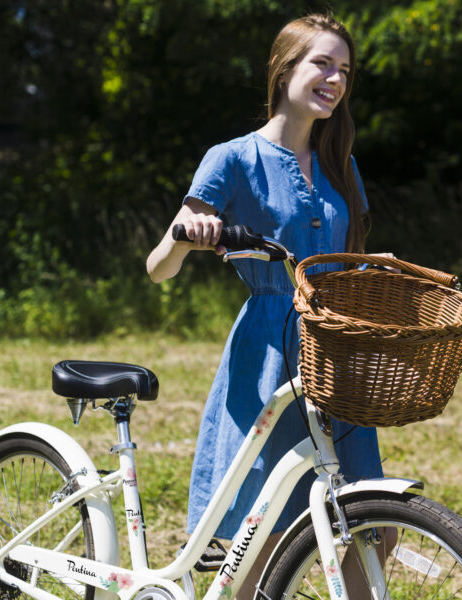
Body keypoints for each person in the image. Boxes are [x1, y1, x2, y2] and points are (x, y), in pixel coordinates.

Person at [147, 12, 390, 599]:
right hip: (269, 351)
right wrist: (188, 233)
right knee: (261, 529)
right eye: (321, 63)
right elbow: (157, 268)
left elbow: (349, 260)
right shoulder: (231, 159)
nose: (335, 78)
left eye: (344, 70)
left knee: (371, 522)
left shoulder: (341, 164)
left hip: (335, 348)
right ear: (285, 71)